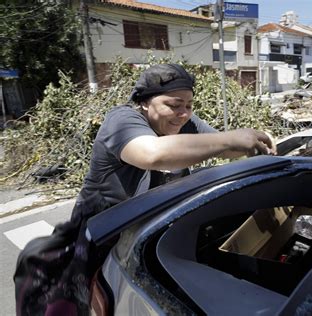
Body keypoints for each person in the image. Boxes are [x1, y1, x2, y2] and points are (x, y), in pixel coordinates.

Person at [14, 64, 275, 315]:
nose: (183, 113)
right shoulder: (122, 119)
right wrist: (231, 138)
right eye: (174, 105)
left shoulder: (185, 122)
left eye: (188, 105)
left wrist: (254, 141)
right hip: (103, 233)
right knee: (90, 300)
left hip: (146, 233)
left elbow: (223, 147)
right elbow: (152, 154)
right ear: (145, 102)